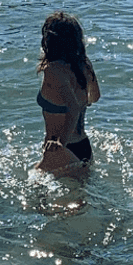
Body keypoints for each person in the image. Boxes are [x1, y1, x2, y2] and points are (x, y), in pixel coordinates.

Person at [35, 11, 101, 174]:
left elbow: (73, 108)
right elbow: (94, 97)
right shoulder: (84, 65)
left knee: (34, 193)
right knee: (81, 198)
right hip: (83, 147)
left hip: (61, 149)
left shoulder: (53, 70)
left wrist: (60, 143)